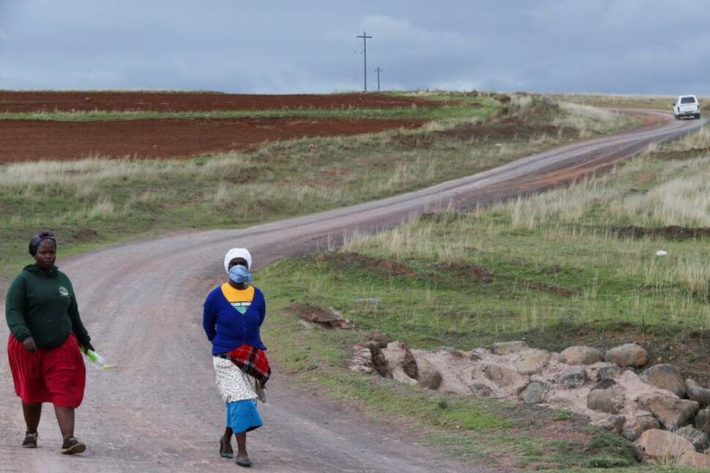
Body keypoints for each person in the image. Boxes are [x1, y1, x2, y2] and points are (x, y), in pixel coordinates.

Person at [5, 231, 95, 454]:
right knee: (31, 389)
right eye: (43, 252)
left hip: (61, 344)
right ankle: (31, 433)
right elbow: (13, 311)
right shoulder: (23, 280)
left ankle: (69, 439)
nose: (48, 256)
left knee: (63, 387)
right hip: (29, 347)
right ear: (34, 253)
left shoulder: (63, 280)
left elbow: (72, 313)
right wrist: (24, 335)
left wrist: (84, 340)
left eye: (51, 252)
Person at [203, 248, 270, 468]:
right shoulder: (215, 296)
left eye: (242, 263)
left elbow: (257, 322)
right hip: (224, 357)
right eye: (234, 263)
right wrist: (223, 344)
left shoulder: (257, 295)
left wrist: (245, 344)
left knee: (241, 400)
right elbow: (208, 326)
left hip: (250, 356)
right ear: (228, 268)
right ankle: (242, 451)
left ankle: (226, 439)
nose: (238, 267)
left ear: (248, 267)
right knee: (240, 399)